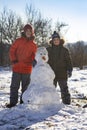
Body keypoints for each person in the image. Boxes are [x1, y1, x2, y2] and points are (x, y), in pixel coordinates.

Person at [6, 24, 37, 108]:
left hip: (27, 69)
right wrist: (14, 60)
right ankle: (12, 103)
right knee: (14, 86)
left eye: (30, 31)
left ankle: (23, 102)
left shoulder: (33, 45)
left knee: (25, 88)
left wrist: (34, 61)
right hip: (17, 67)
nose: (28, 32)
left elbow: (34, 55)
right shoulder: (18, 41)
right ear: (24, 31)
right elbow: (12, 51)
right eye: (27, 31)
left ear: (32, 32)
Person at [47, 31, 73, 105]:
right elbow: (43, 58)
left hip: (62, 73)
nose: (56, 41)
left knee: (64, 88)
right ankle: (50, 101)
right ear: (52, 41)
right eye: (54, 40)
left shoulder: (65, 50)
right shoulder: (48, 50)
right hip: (52, 73)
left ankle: (66, 102)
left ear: (60, 40)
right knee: (51, 88)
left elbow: (69, 61)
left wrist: (69, 70)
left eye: (57, 39)